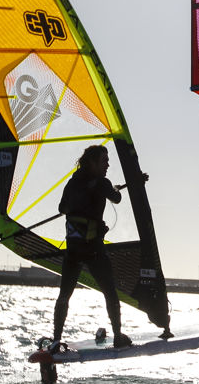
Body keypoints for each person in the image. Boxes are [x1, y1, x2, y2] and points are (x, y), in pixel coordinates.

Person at [50, 144, 141, 351]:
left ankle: (56, 339)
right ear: (92, 162)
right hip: (93, 250)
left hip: (73, 250)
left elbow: (62, 208)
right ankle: (118, 336)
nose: (107, 165)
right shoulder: (102, 183)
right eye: (104, 161)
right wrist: (112, 188)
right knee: (110, 292)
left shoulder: (72, 183)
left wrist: (80, 201)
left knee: (64, 295)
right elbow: (117, 198)